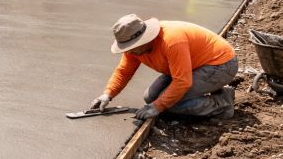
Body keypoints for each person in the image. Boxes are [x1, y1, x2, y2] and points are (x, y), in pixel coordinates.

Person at [90, 14, 238, 121]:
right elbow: (123, 71)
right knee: (150, 98)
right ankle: (210, 91)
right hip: (190, 66)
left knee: (172, 104)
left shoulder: (172, 41)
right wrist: (108, 94)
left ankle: (222, 104)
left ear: (144, 39)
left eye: (131, 47)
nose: (128, 52)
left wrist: (158, 106)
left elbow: (182, 81)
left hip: (221, 64)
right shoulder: (134, 48)